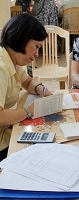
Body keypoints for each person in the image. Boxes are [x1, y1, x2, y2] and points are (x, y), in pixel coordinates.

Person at [0, 14, 52, 161]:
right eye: (36, 47)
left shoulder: (12, 60)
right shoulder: (2, 68)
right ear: (23, 38)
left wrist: (42, 90)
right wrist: (29, 111)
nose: (36, 54)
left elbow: (28, 82)